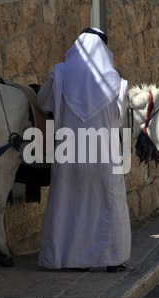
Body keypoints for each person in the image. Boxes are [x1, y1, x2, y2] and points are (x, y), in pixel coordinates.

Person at [37, 27, 131, 272]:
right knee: (108, 205)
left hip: (69, 155)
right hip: (103, 156)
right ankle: (112, 260)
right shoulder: (116, 83)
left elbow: (42, 101)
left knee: (69, 205)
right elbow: (120, 119)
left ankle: (70, 260)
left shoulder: (60, 75)